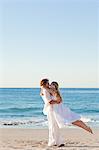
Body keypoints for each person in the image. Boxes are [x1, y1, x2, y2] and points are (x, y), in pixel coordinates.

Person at [40, 79, 64, 147]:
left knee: (54, 125)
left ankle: (57, 141)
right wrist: (57, 102)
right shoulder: (45, 91)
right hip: (51, 109)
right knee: (53, 125)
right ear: (45, 84)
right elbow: (49, 101)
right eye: (48, 83)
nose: (49, 85)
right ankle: (55, 141)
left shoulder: (46, 90)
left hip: (53, 109)